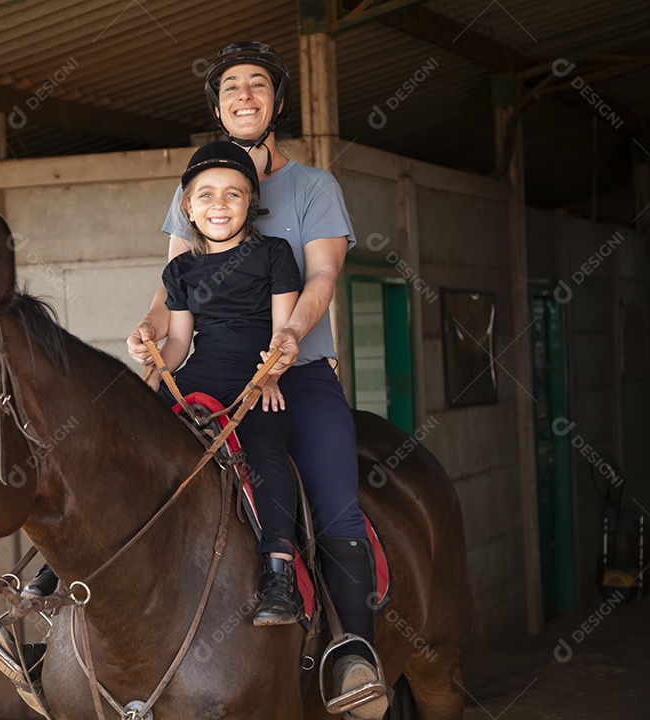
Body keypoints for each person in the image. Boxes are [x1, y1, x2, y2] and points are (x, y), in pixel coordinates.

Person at [126, 41, 386, 719]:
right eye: (231, 88)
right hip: (208, 369)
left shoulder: (314, 187)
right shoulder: (197, 187)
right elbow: (172, 290)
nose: (244, 97)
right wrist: (150, 332)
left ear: (276, 103)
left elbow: (323, 276)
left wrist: (289, 340)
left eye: (258, 86)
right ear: (216, 106)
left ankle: (353, 652)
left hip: (290, 376)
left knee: (332, 496)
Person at [152, 140, 304, 624]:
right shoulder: (180, 269)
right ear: (188, 208)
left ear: (250, 204)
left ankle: (279, 570)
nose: (219, 204)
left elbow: (284, 329)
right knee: (133, 431)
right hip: (200, 373)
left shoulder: (274, 254)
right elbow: (178, 343)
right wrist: (152, 355)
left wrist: (271, 373)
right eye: (206, 195)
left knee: (265, 450)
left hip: (257, 376)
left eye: (233, 194)